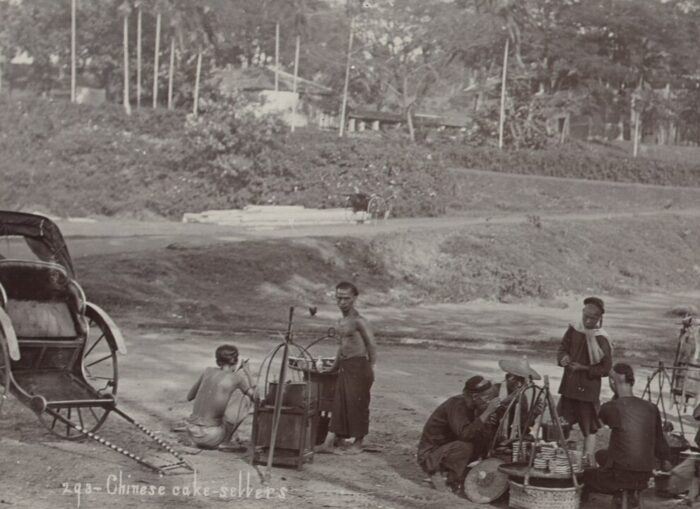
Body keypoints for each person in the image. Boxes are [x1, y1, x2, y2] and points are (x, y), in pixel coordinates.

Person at [583, 363, 671, 508]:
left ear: (612, 382)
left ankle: (589, 503)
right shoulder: (651, 408)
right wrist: (664, 460)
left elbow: (596, 424)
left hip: (620, 474)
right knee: (601, 454)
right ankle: (628, 496)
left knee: (586, 475)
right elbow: (660, 443)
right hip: (644, 476)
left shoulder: (611, 407)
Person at [317, 281, 377, 454]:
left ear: (354, 299)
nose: (342, 302)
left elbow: (372, 345)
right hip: (345, 366)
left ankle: (358, 443)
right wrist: (333, 368)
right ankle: (328, 443)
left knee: (357, 404)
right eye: (339, 298)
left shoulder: (359, 321)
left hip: (359, 366)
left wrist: (370, 367)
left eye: (346, 299)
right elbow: (341, 347)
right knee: (339, 404)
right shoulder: (340, 322)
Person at [417, 376, 502, 496]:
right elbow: (465, 435)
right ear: (475, 397)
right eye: (487, 398)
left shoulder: (473, 405)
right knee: (464, 446)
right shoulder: (457, 405)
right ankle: (438, 475)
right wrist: (487, 412)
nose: (488, 401)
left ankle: (453, 475)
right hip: (431, 454)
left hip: (446, 448)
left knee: (483, 438)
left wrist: (488, 421)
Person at [557, 296, 613, 465]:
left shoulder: (602, 338)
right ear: (582, 312)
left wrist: (583, 368)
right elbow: (562, 348)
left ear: (599, 318)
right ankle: (560, 461)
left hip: (587, 391)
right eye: (585, 316)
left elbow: (605, 369)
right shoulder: (574, 329)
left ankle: (587, 462)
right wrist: (564, 358)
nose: (588, 321)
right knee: (560, 424)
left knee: (590, 429)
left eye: (593, 318)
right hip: (569, 387)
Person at [185, 344, 256, 450]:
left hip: (192, 432)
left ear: (217, 361)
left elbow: (189, 397)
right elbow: (256, 397)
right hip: (211, 437)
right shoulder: (237, 378)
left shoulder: (207, 371)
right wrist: (248, 373)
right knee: (244, 398)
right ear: (236, 361)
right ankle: (225, 441)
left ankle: (218, 435)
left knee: (222, 398)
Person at [495, 357, 542, 440]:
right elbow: (493, 414)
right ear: (507, 377)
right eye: (516, 379)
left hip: (512, 438)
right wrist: (509, 399)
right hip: (494, 436)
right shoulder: (496, 390)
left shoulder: (523, 397)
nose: (519, 385)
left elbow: (524, 427)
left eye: (522, 381)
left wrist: (534, 413)